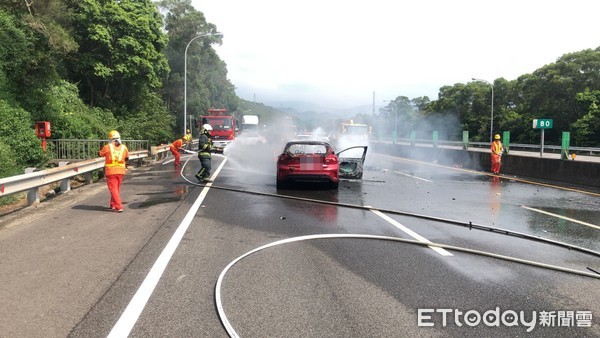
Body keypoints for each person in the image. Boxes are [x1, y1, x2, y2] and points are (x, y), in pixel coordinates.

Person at [99, 130, 129, 212]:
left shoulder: (107, 147)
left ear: (110, 139)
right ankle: (113, 204)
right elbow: (127, 158)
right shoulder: (124, 147)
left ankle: (119, 206)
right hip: (121, 171)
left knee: (113, 189)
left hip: (111, 171)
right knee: (116, 189)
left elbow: (100, 154)